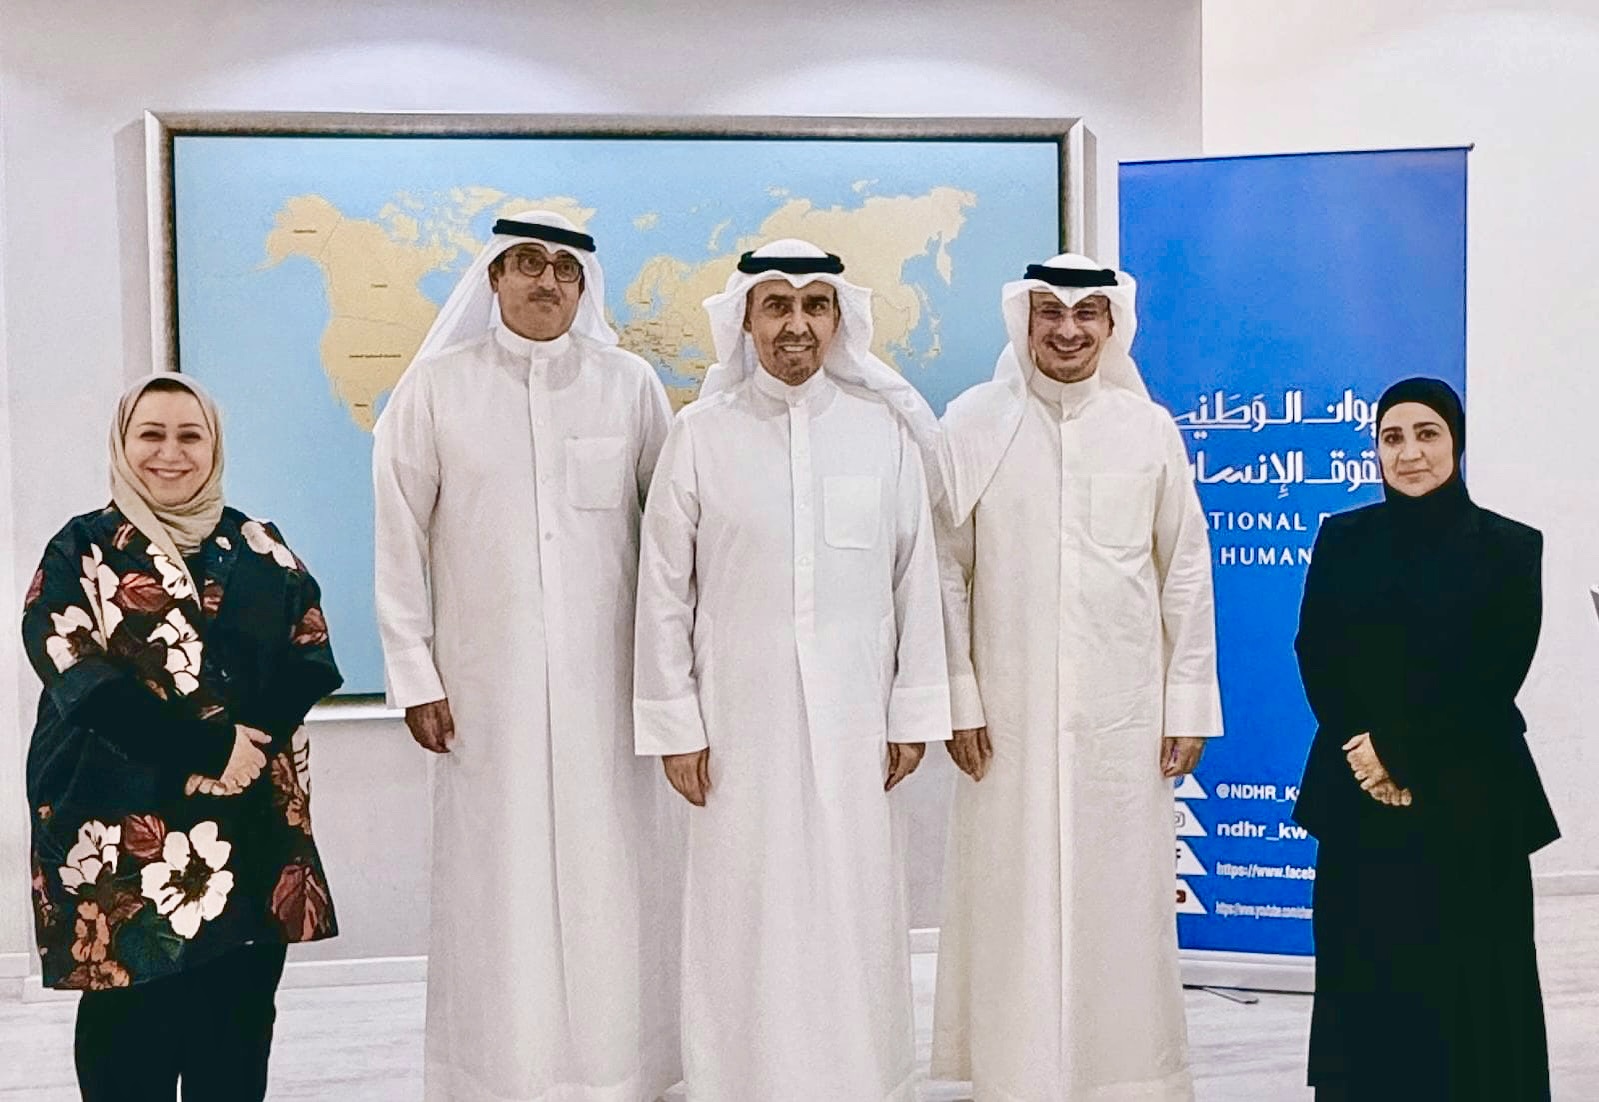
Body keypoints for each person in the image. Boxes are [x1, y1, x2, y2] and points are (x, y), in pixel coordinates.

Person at [372, 211, 681, 1101]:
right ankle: (493, 1074)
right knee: (495, 886)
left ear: (583, 285)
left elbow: (671, 542)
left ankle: (622, 1072)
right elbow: (398, 539)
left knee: (612, 880)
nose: (546, 281)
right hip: (484, 692)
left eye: (563, 268)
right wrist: (415, 675)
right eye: (527, 264)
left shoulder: (629, 387)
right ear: (494, 277)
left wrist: (672, 683)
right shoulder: (436, 390)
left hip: (608, 692)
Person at [632, 239, 950, 1100]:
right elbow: (662, 591)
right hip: (736, 721)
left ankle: (860, 1079)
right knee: (743, 905)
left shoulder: (881, 433)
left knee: (854, 903)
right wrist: (675, 724)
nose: (796, 324)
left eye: (814, 305)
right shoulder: (700, 435)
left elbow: (915, 577)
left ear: (839, 320)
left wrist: (911, 714)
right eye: (776, 305)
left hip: (856, 721)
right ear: (745, 319)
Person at [931, 254, 1222, 1100]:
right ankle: (1013, 1074)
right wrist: (959, 697)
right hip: (1007, 718)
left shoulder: (1146, 428)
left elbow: (1184, 569)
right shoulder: (973, 422)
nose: (1067, 330)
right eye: (1050, 313)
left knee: (1119, 900)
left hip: (1120, 718)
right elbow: (945, 571)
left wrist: (1186, 702)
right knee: (1009, 897)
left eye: (1087, 313)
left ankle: (1125, 1078)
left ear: (1111, 324)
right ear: (1022, 320)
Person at [22, 373, 342, 1100]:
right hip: (121, 831)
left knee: (234, 1039)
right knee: (126, 1043)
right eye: (152, 434)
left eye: (189, 435)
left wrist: (245, 748)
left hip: (246, 829)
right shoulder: (83, 548)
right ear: (123, 443)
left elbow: (310, 654)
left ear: (214, 446)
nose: (171, 452)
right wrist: (207, 751)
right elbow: (77, 674)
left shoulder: (261, 545)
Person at [1292, 377, 1556, 1101]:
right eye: (1391, 438)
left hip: (1471, 801)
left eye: (1426, 433)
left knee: (1472, 984)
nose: (1409, 453)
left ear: (1455, 442)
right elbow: (1316, 652)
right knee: (1366, 974)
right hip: (1358, 799)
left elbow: (1493, 675)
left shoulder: (1510, 547)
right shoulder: (1343, 539)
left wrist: (1398, 754)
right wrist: (1365, 752)